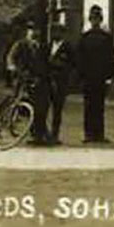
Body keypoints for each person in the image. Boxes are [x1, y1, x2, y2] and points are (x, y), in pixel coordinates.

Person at [76, 5, 114, 143]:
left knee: (91, 107)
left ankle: (91, 134)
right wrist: (110, 76)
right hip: (98, 78)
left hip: (91, 78)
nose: (95, 21)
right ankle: (97, 134)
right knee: (97, 107)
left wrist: (80, 76)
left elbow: (79, 60)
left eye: (96, 19)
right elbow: (111, 59)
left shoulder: (85, 38)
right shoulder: (106, 38)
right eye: (95, 19)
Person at [7, 25, 51, 145]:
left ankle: (40, 133)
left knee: (42, 107)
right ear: (27, 32)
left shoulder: (43, 47)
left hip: (39, 81)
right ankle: (34, 132)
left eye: (36, 31)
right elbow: (11, 59)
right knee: (26, 106)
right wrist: (14, 69)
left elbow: (46, 64)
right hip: (23, 80)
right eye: (31, 30)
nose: (34, 33)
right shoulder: (20, 45)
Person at [45, 14, 76, 145]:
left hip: (61, 81)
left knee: (57, 109)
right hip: (48, 80)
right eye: (53, 31)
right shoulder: (48, 45)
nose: (54, 34)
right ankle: (44, 132)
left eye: (57, 31)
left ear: (62, 33)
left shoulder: (68, 47)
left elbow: (72, 64)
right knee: (44, 107)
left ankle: (55, 134)